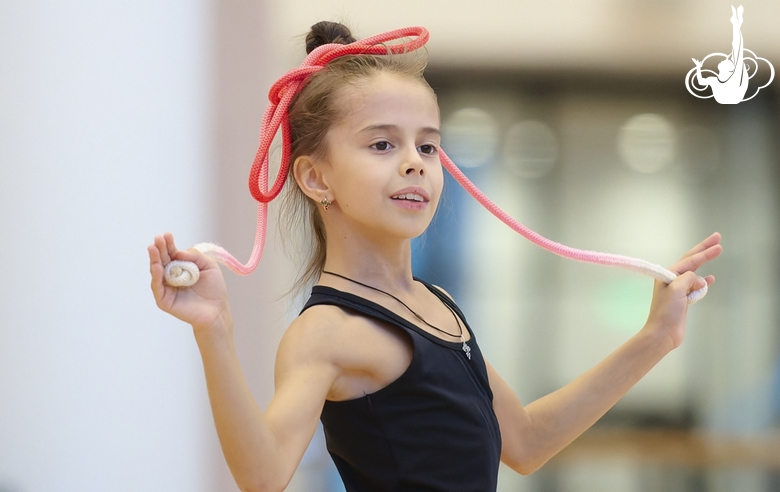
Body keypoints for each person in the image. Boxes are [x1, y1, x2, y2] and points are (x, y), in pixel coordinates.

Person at [148, 21, 722, 492]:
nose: (415, 162)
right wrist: (214, 331)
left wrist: (656, 338)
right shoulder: (326, 331)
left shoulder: (438, 305)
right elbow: (263, 473)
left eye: (427, 144)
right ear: (315, 177)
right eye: (382, 144)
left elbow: (524, 441)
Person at [692, 5, 748, 104]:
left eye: (727, 61)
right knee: (736, 50)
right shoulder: (715, 80)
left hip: (732, 97)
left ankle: (736, 23)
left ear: (729, 69)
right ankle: (736, 23)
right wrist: (698, 67)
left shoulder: (734, 78)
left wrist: (736, 26)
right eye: (727, 60)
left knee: (737, 49)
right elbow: (701, 82)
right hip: (728, 98)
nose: (724, 59)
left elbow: (737, 48)